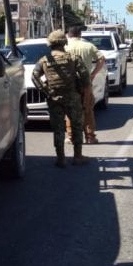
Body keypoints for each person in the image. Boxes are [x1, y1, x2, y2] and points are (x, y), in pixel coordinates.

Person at [32, 30, 91, 168]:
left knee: (58, 128)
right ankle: (77, 156)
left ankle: (61, 159)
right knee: (76, 125)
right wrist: (84, 92)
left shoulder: (44, 60)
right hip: (72, 97)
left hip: (54, 99)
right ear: (64, 42)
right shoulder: (73, 58)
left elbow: (34, 77)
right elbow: (85, 77)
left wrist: (47, 91)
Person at [65, 24, 105, 144]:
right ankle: (90, 137)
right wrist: (93, 74)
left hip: (69, 83)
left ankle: (71, 137)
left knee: (70, 110)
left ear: (69, 34)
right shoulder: (88, 46)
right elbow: (102, 59)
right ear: (80, 34)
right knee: (88, 109)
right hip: (85, 82)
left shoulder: (64, 47)